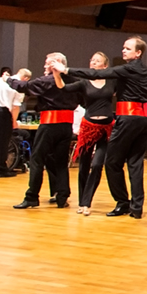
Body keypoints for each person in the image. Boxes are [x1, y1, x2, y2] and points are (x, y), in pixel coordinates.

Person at [60, 36, 147, 219]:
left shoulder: (128, 68)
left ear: (138, 53)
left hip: (128, 119)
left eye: (127, 48)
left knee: (112, 162)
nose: (123, 50)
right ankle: (136, 207)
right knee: (135, 163)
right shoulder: (145, 70)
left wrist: (66, 69)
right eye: (123, 47)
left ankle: (123, 202)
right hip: (143, 120)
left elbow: (96, 74)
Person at [11, 54, 82, 210]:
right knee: (61, 162)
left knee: (37, 159)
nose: (44, 67)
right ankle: (62, 196)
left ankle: (32, 197)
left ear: (57, 63)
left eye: (47, 63)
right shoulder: (75, 81)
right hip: (66, 126)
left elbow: (23, 86)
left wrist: (8, 79)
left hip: (49, 125)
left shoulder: (47, 81)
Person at [64, 52, 114, 217]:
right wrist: (57, 74)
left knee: (97, 165)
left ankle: (87, 201)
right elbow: (64, 88)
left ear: (105, 66)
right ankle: (82, 202)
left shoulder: (112, 82)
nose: (93, 63)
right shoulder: (84, 82)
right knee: (84, 165)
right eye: (92, 60)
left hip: (106, 128)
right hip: (88, 127)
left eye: (97, 61)